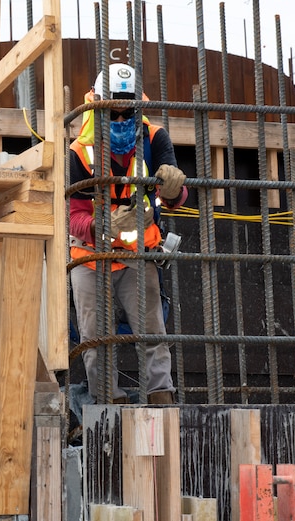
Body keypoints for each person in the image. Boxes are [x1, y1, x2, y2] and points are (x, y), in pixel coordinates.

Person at [69, 63, 187, 405]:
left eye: (127, 114)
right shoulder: (79, 151)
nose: (120, 122)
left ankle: (161, 401)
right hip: (91, 258)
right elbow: (73, 216)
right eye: (113, 115)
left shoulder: (154, 138)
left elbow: (176, 197)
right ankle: (110, 406)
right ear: (96, 107)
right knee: (95, 339)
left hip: (139, 255)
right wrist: (100, 225)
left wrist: (174, 190)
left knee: (152, 334)